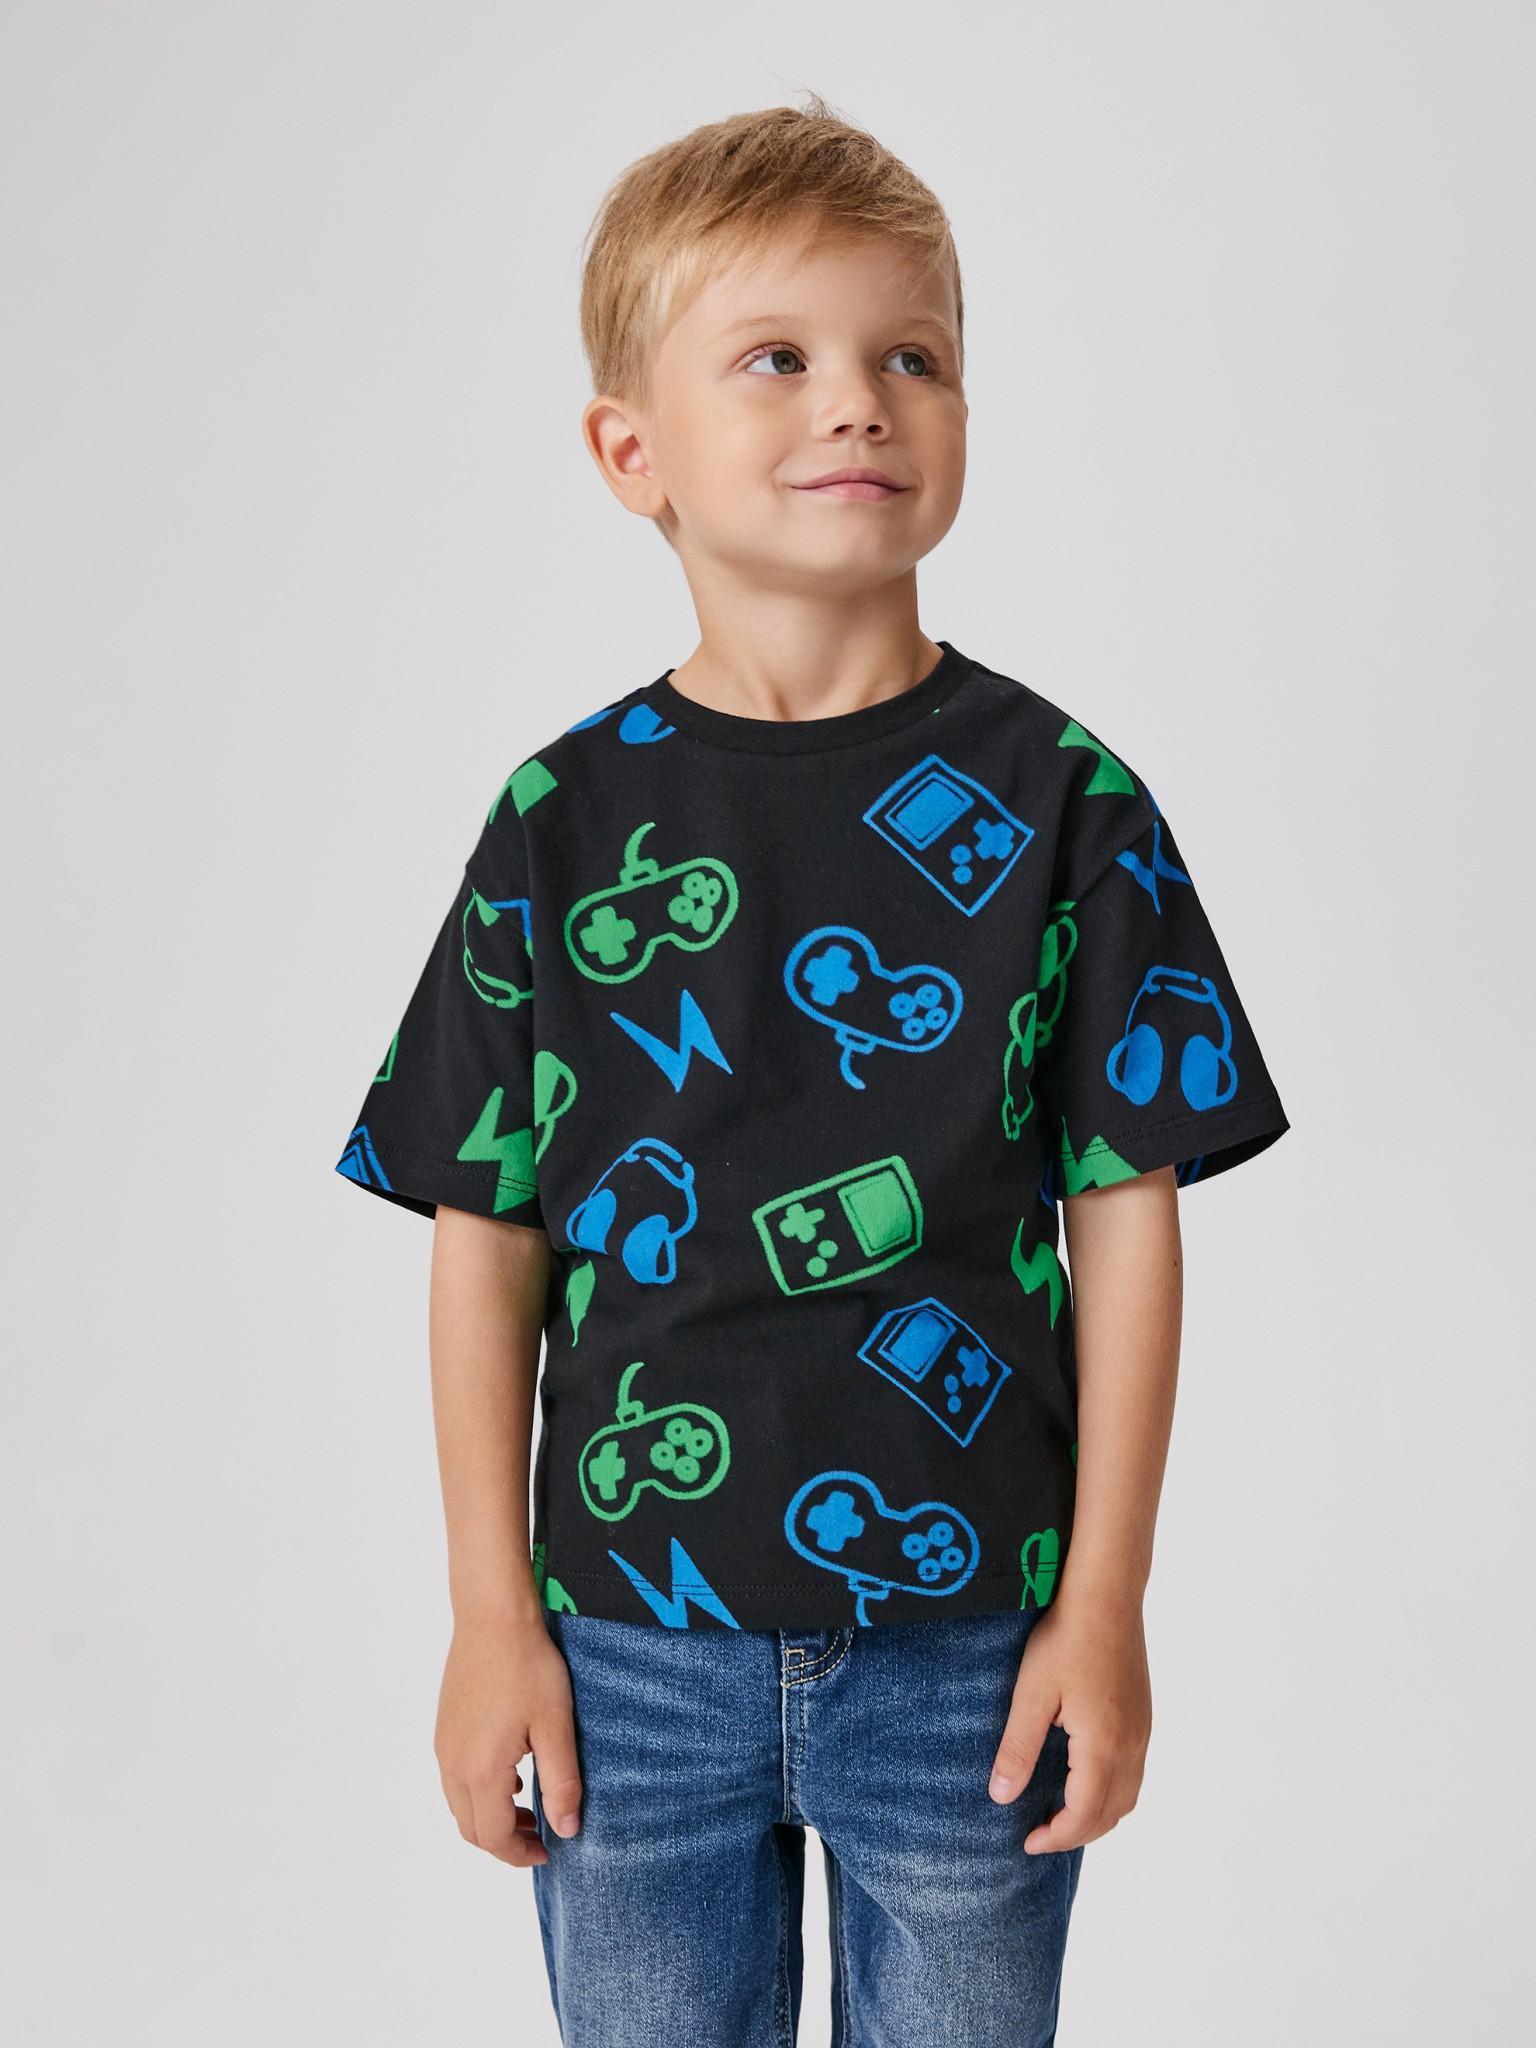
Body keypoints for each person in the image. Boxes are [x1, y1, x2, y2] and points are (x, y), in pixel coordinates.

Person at [332, 94, 1291, 2047]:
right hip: (627, 1650)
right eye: (775, 357)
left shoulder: (1069, 805)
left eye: (911, 356)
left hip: (972, 1645)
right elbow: (482, 1231)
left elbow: (1127, 1219)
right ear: (632, 451)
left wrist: (1105, 1603)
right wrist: (491, 1615)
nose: (859, 399)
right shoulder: (558, 824)